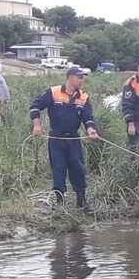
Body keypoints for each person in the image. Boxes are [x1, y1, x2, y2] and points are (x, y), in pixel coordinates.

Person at [29, 67, 98, 212]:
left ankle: (81, 202)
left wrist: (91, 130)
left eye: (82, 78)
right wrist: (37, 124)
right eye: (79, 77)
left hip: (73, 139)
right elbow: (35, 106)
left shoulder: (83, 97)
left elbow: (88, 118)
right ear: (70, 78)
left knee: (78, 168)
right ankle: (60, 203)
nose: (81, 80)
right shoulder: (53, 92)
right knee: (58, 168)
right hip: (56, 138)